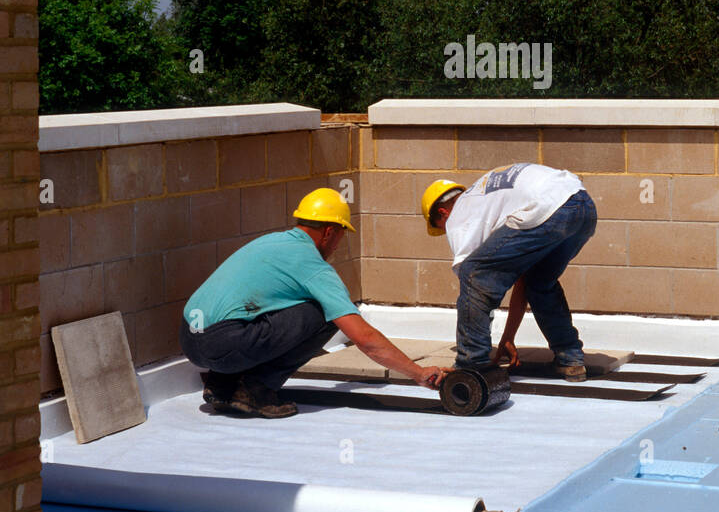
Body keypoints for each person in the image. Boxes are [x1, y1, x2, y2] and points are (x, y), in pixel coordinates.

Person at [179, 188, 449, 417]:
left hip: (191, 341)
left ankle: (221, 385)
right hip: (224, 344)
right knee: (326, 312)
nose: (339, 244)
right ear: (329, 232)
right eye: (342, 234)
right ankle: (255, 389)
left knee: (265, 312)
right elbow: (364, 339)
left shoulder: (271, 242)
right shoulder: (312, 265)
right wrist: (417, 372)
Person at [421, 163, 597, 380]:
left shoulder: (458, 217)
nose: (445, 231)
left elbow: (475, 285)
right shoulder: (485, 198)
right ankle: (570, 360)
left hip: (548, 208)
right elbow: (523, 281)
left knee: (472, 272)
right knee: (540, 281)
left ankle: (471, 365)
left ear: (442, 212)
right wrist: (508, 337)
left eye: (440, 226)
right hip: (582, 206)